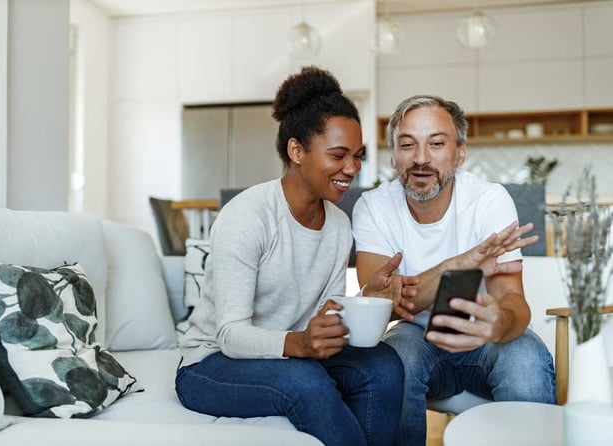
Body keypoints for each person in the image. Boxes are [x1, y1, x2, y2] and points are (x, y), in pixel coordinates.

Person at [176, 66, 408, 446]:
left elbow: (322, 317)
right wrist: (300, 344)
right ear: (297, 150)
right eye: (338, 155)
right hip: (212, 364)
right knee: (306, 382)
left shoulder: (338, 225)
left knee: (383, 365)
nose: (352, 169)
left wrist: (369, 298)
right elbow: (230, 335)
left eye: (358, 156)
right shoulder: (248, 216)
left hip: (292, 356)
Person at [352, 94, 557, 446]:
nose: (420, 158)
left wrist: (499, 322)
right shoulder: (373, 207)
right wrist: (464, 261)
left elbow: (513, 302)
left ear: (460, 153)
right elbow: (384, 301)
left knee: (524, 355)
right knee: (392, 361)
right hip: (416, 338)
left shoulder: (489, 200)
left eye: (436, 143)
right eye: (407, 145)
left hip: (485, 339)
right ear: (392, 156)